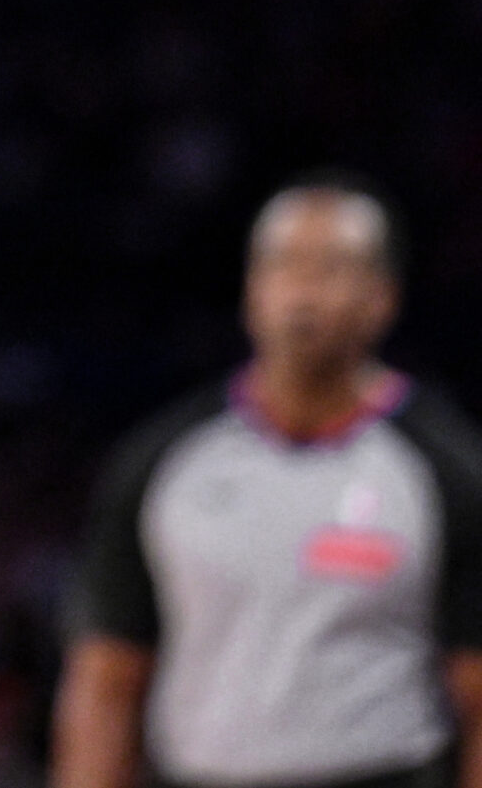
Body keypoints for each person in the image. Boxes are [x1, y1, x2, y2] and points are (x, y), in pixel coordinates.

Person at [52, 178, 482, 788]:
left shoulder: (446, 467)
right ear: (252, 290)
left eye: (332, 267)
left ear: (381, 297)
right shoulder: (166, 460)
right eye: (283, 265)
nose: (303, 290)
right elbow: (107, 677)